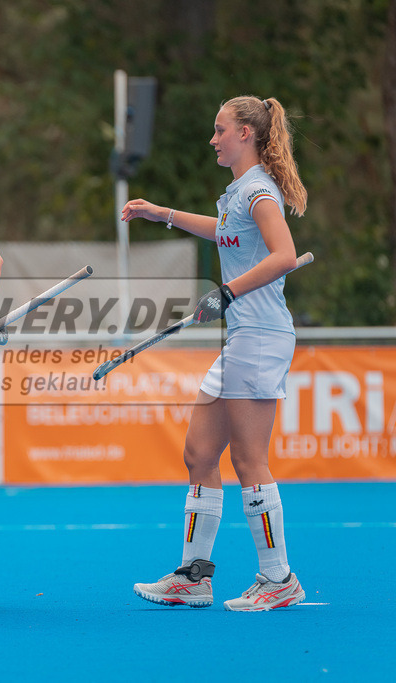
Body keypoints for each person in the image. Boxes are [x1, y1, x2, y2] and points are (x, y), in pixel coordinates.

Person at [124, 95, 308, 611]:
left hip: (261, 336)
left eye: (220, 130)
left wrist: (228, 291)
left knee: (250, 460)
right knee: (200, 454)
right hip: (240, 339)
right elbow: (224, 233)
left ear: (245, 134)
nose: (213, 139)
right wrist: (161, 213)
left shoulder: (259, 192)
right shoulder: (237, 194)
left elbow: (285, 255)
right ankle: (194, 576)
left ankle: (278, 580)